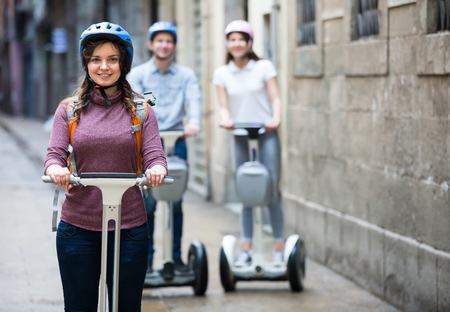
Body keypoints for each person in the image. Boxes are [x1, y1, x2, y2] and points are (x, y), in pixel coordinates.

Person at [44, 22, 167, 311]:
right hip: (78, 228)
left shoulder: (141, 110)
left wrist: (157, 169)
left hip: (130, 229)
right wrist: (56, 170)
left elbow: (154, 155)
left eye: (112, 59)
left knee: (127, 306)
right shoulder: (69, 110)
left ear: (123, 64)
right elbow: (54, 155)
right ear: (86, 63)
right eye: (96, 59)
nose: (104, 67)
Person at [127, 21, 201, 273]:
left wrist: (194, 122)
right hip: (147, 144)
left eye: (168, 41)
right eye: (159, 40)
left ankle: (176, 258)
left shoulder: (186, 74)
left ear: (174, 46)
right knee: (148, 203)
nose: (164, 45)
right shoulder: (138, 75)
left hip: (176, 141)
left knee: (176, 201)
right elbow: (130, 105)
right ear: (151, 44)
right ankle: (146, 260)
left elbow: (194, 100)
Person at [213, 20, 284, 266]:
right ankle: (246, 250)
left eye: (241, 39)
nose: (237, 43)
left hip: (267, 133)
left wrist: (275, 118)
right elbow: (223, 105)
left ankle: (278, 249)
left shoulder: (263, 67)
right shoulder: (222, 73)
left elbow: (275, 98)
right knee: (246, 191)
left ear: (249, 42)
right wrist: (226, 118)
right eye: (232, 39)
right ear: (227, 43)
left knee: (272, 190)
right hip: (241, 135)